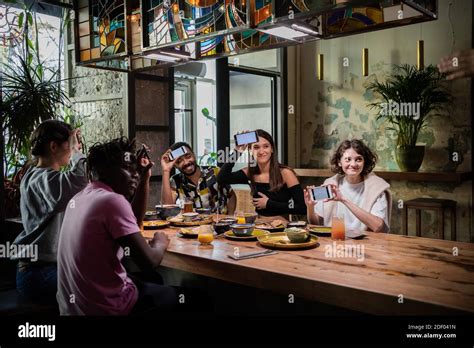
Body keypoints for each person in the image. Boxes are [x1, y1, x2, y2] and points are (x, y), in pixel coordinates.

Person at [56, 137, 183, 315]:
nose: (135, 174)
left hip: (74, 308)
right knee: (196, 298)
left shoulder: (82, 196)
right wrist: (160, 241)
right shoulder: (111, 201)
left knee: (153, 279)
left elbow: (135, 225)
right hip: (105, 309)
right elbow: (149, 261)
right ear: (105, 170)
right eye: (128, 169)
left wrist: (145, 177)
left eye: (135, 169)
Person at [12, 120, 88, 304]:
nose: (73, 149)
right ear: (53, 146)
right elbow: (81, 179)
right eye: (69, 145)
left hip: (39, 270)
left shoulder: (36, 175)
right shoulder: (42, 178)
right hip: (40, 274)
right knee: (98, 292)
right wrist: (77, 154)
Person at [305, 139, 391, 232]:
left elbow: (378, 226)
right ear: (339, 162)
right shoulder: (330, 185)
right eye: (348, 159)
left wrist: (343, 199)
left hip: (366, 243)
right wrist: (310, 207)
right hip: (336, 240)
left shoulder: (377, 187)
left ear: (364, 162)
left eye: (358, 159)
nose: (353, 164)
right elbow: (316, 224)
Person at [217, 129, 306, 217]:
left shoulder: (285, 173)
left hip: (281, 226)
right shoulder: (250, 172)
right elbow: (222, 178)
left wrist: (269, 203)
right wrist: (237, 151)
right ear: (250, 151)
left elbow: (302, 207)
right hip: (259, 225)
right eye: (256, 147)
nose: (261, 151)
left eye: (266, 146)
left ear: (272, 149)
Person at [161, 142, 236, 214]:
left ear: (194, 154)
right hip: (191, 226)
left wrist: (231, 215)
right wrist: (166, 170)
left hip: (218, 224)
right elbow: (168, 208)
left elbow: (231, 195)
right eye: (179, 161)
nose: (186, 162)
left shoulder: (214, 172)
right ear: (175, 165)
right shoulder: (175, 181)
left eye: (188, 156)